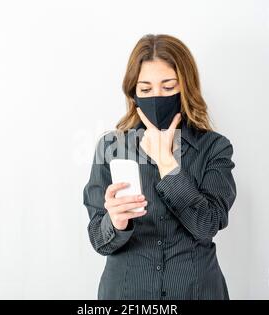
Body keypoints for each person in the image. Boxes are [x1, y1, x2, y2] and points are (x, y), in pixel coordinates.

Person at [83, 34, 237, 300]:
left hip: (197, 291)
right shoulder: (111, 147)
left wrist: (167, 163)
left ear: (186, 87)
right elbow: (99, 240)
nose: (157, 97)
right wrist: (116, 223)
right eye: (145, 89)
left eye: (168, 87)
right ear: (134, 94)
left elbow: (207, 225)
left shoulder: (215, 148)